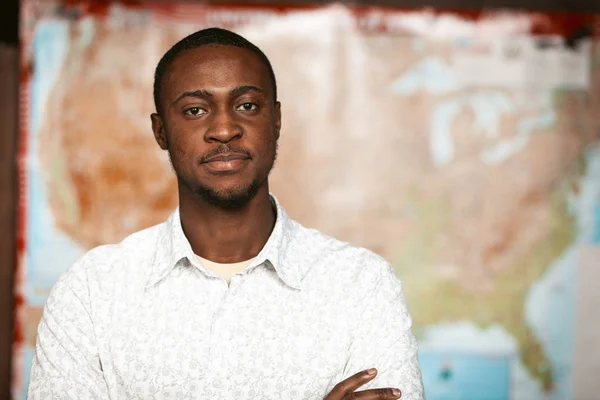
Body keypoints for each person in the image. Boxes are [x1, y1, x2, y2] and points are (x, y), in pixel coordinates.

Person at [27, 27, 424, 400]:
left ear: (277, 120)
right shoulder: (92, 291)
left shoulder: (362, 285)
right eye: (196, 110)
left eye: (247, 105)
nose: (224, 129)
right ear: (160, 131)